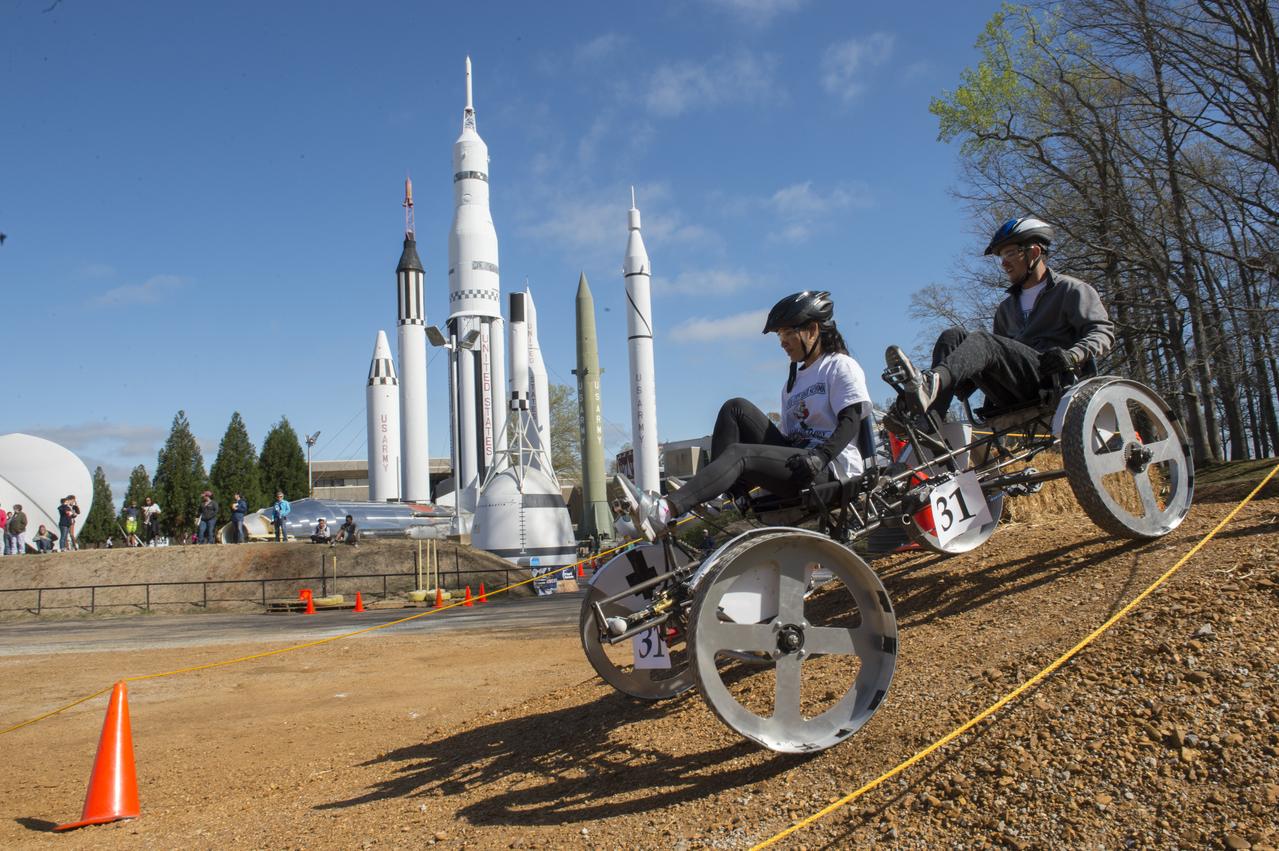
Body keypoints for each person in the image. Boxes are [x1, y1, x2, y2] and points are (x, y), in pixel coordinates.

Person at [618, 291, 872, 541]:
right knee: (735, 407)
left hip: (830, 470)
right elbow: (789, 438)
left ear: (813, 330)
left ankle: (664, 510)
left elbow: (852, 419)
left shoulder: (839, 365)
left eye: (787, 333)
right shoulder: (791, 385)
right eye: (779, 335)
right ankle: (717, 496)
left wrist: (821, 457)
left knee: (742, 453)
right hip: (798, 463)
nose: (782, 342)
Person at [885, 216, 1115, 426]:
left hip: (1053, 379)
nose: (1003, 263)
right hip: (1013, 387)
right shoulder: (1006, 309)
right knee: (952, 336)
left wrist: (1072, 355)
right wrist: (963, 378)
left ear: (1034, 252)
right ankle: (928, 420)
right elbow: (999, 358)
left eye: (1010, 254)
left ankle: (930, 384)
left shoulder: (1071, 290)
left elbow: (1102, 333)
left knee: (983, 341)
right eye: (1001, 257)